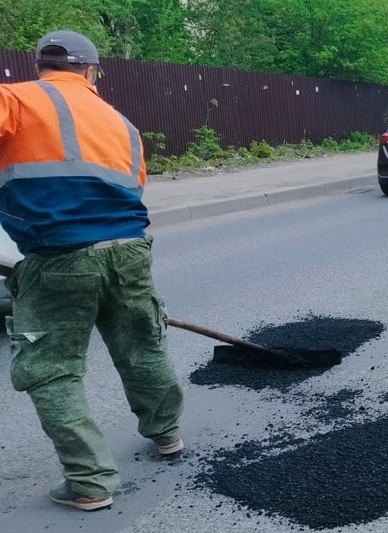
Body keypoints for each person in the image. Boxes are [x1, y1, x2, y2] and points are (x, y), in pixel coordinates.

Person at [0, 31, 184, 511]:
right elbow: (134, 188)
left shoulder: (13, 100)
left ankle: (90, 483)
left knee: (52, 367)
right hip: (128, 250)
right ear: (91, 72)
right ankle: (166, 433)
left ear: (39, 65)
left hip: (57, 258)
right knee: (141, 344)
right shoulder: (123, 125)